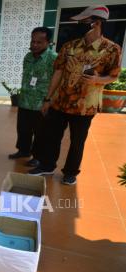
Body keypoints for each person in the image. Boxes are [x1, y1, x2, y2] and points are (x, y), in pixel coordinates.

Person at [28, 5, 122, 185]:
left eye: (84, 20)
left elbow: (113, 75)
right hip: (61, 102)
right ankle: (47, 165)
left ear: (97, 22)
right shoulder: (69, 46)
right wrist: (48, 98)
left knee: (77, 141)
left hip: (85, 106)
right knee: (51, 136)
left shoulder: (112, 49)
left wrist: (97, 79)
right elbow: (58, 72)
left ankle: (70, 172)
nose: (80, 24)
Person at [8, 27, 57, 168]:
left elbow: (57, 80)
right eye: (33, 41)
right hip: (25, 100)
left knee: (40, 132)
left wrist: (49, 100)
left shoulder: (53, 58)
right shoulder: (28, 57)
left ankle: (38, 156)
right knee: (23, 128)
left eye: (39, 42)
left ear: (48, 42)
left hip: (41, 102)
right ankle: (23, 151)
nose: (34, 45)